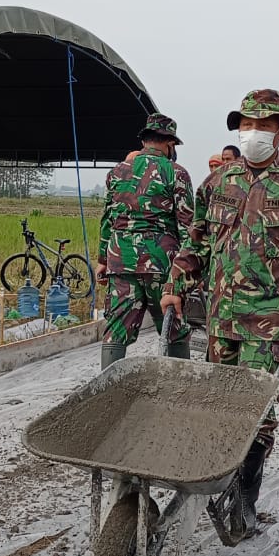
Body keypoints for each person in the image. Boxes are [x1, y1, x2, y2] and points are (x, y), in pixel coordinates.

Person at [161, 89, 279, 536]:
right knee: (219, 404)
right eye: (246, 124)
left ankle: (244, 504)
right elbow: (197, 241)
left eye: (263, 124)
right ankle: (216, 484)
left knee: (257, 412)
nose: (252, 132)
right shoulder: (218, 183)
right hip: (221, 317)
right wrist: (175, 285)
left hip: (271, 317)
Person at [96, 114, 193, 369]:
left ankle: (106, 389)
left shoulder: (116, 172)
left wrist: (102, 260)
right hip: (162, 262)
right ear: (169, 143)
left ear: (144, 140)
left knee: (116, 327)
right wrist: (190, 268)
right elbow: (186, 225)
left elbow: (108, 219)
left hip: (120, 260)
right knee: (173, 325)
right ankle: (179, 385)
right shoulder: (176, 173)